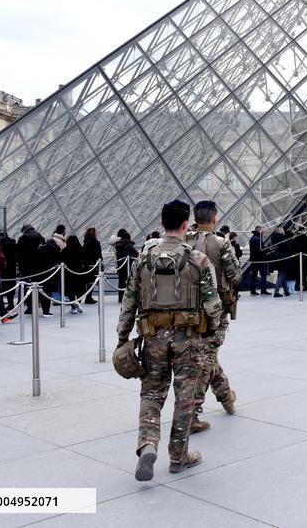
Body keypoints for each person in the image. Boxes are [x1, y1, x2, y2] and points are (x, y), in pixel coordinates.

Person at [116, 200, 223, 481]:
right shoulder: (198, 260)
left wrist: (122, 336)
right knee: (185, 398)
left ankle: (148, 443)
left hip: (153, 338)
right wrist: (212, 334)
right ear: (186, 225)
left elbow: (129, 300)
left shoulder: (144, 258)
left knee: (151, 393)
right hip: (188, 340)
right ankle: (178, 456)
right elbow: (213, 306)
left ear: (162, 224)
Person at [186, 200, 240, 432]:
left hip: (188, 309)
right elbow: (235, 275)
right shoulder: (221, 243)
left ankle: (227, 397)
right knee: (207, 358)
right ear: (214, 218)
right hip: (215, 309)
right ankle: (194, 412)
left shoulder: (185, 241)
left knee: (207, 354)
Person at [17, 224, 51, 316]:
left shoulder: (22, 239)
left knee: (29, 288)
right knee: (42, 289)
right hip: (41, 268)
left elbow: (19, 256)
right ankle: (45, 310)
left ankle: (30, 308)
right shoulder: (41, 238)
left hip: (27, 268)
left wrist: (20, 269)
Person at [61, 234, 87, 314]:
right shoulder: (82, 249)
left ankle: (73, 306)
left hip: (69, 273)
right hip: (79, 272)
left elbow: (61, 261)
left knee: (70, 291)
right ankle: (78, 302)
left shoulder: (65, 250)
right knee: (79, 290)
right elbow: (85, 260)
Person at [111, 229, 139, 303]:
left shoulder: (117, 246)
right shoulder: (129, 245)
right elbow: (137, 255)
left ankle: (120, 297)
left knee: (121, 281)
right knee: (129, 282)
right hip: (128, 267)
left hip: (120, 266)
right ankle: (128, 297)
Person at [268, 226, 291, 296]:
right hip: (284, 259)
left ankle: (286, 291)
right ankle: (276, 292)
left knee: (282, 275)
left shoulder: (273, 238)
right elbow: (288, 249)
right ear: (282, 231)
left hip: (277, 259)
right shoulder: (282, 238)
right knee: (281, 275)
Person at [82, 228, 102, 305]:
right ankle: (89, 297)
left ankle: (88, 296)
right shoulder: (95, 242)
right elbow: (98, 253)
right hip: (93, 264)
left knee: (88, 281)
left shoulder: (85, 241)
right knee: (92, 281)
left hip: (86, 264)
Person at [248, 225, 268, 295]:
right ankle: (263, 290)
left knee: (254, 275)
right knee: (263, 275)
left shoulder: (253, 238)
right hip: (260, 260)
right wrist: (267, 249)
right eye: (263, 230)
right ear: (259, 230)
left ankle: (253, 290)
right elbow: (261, 250)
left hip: (254, 259)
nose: (263, 232)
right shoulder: (257, 239)